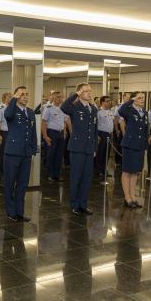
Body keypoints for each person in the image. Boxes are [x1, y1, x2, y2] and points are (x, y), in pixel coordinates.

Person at [61, 84, 98, 216]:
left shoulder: (93, 109)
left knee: (87, 178)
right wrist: (76, 94)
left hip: (89, 148)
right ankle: (74, 205)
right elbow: (63, 107)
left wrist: (95, 148)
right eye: (86, 91)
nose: (89, 93)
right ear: (80, 93)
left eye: (90, 91)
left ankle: (83, 204)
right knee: (76, 177)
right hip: (77, 148)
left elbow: (94, 130)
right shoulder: (75, 107)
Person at [3, 86, 37, 222]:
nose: (25, 97)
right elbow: (7, 116)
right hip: (12, 152)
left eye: (27, 94)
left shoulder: (30, 112)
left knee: (23, 184)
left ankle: (20, 212)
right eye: (22, 94)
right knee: (10, 183)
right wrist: (14, 99)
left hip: (26, 153)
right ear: (16, 96)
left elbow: (33, 131)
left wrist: (34, 148)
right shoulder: (11, 109)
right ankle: (10, 212)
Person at [118, 92, 151, 208]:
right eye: (139, 98)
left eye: (143, 97)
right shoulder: (128, 110)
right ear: (134, 99)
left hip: (140, 145)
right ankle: (127, 197)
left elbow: (145, 128)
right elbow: (121, 111)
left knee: (136, 171)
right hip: (130, 144)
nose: (142, 99)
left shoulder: (145, 113)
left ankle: (133, 196)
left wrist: (148, 137)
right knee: (127, 171)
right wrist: (131, 100)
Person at [41, 91, 66, 182]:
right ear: (54, 98)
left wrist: (65, 132)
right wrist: (45, 136)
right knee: (51, 154)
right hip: (51, 133)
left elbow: (64, 122)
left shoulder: (63, 109)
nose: (60, 99)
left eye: (61, 97)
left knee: (59, 155)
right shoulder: (48, 108)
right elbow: (43, 122)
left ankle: (57, 174)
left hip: (60, 133)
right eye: (58, 97)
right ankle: (50, 174)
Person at [0, 92, 11, 179]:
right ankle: (2, 171)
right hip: (4, 133)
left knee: (10, 153)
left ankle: (9, 170)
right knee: (2, 153)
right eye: (8, 97)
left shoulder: (13, 108)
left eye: (11, 97)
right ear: (4, 98)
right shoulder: (1, 108)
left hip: (12, 134)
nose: (10, 98)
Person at [96, 96, 114, 178]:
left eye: (109, 101)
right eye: (107, 101)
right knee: (101, 153)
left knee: (107, 153)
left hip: (109, 134)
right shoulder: (98, 112)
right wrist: (97, 135)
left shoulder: (111, 112)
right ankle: (99, 170)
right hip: (101, 134)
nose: (109, 102)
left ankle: (104, 170)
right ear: (102, 102)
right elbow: (95, 125)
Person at [113, 92, 131, 168]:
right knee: (120, 145)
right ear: (123, 97)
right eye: (127, 97)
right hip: (121, 127)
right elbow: (116, 119)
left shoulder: (131, 106)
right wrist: (117, 130)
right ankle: (118, 162)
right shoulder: (119, 106)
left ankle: (126, 161)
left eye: (130, 98)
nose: (129, 99)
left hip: (129, 127)